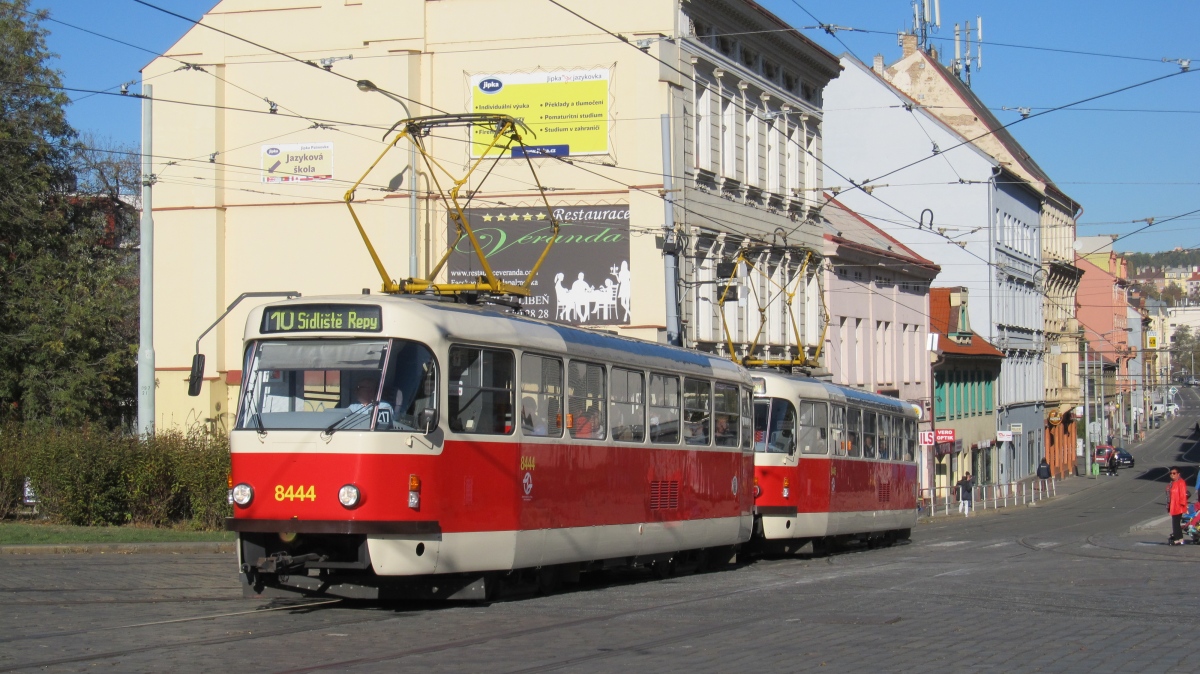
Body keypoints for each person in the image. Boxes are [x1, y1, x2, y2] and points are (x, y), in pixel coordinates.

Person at [1168, 466, 1188, 545]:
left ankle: (1177, 539)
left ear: (1178, 474)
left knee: (1175, 523)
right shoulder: (1172, 483)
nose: (1172, 475)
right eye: (1171, 473)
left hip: (1178, 506)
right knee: (1176, 523)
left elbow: (1183, 495)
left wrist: (1184, 506)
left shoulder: (1181, 482)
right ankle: (1180, 539)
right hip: (1173, 506)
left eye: (1174, 473)